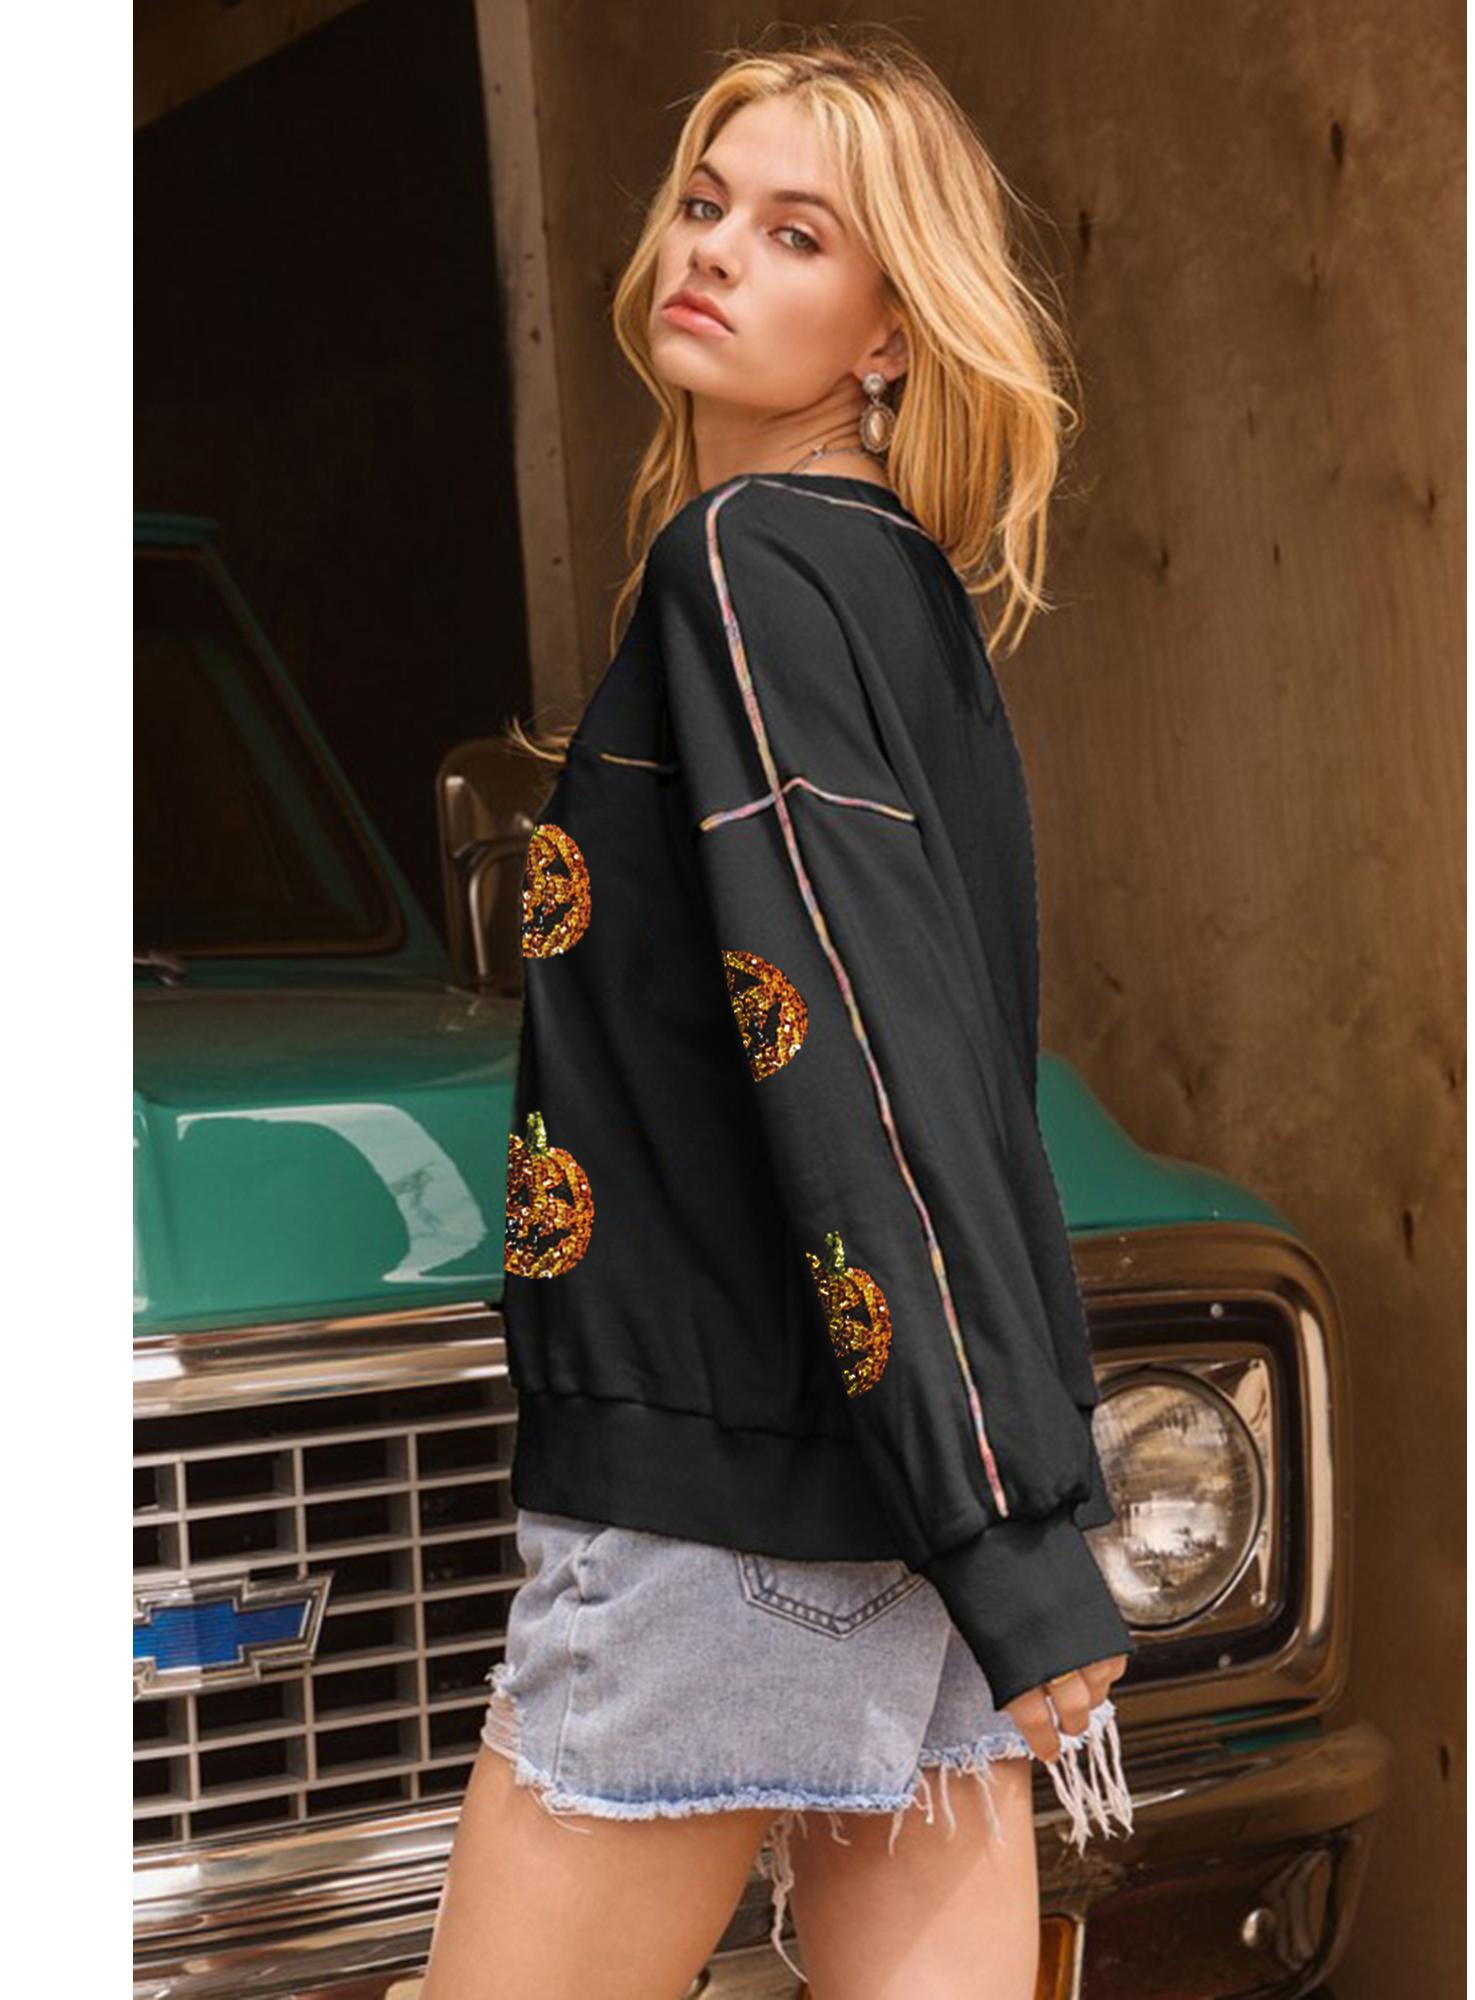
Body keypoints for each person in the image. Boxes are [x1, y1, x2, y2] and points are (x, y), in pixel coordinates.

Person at [422, 27, 1135, 2000]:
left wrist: (1005, 1538)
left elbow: (865, 1049)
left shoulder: (740, 564)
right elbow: (954, 1069)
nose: (715, 249)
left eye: (797, 231)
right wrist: (1003, 1511)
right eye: (705, 202)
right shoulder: (893, 589)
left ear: (891, 328)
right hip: (905, 1488)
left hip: (722, 1503)